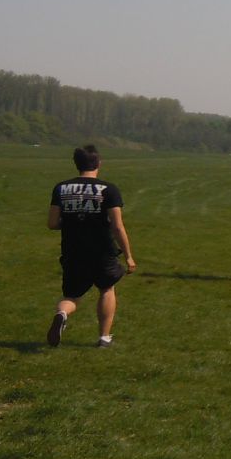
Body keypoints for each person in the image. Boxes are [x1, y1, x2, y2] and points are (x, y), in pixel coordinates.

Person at [46, 145, 136, 348]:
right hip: (102, 250)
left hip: (73, 250)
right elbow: (117, 226)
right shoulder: (109, 189)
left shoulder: (61, 188)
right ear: (98, 164)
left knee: (72, 296)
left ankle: (62, 314)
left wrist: (73, 223)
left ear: (76, 164)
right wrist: (128, 255)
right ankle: (104, 337)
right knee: (106, 288)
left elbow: (52, 223)